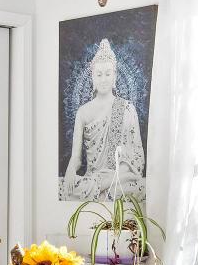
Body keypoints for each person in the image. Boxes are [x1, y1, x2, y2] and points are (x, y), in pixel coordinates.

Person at [61, 39, 144, 200]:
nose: (103, 79)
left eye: (108, 73)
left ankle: (102, 188)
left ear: (115, 76)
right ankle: (101, 189)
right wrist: (71, 170)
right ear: (92, 76)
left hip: (120, 177)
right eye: (99, 74)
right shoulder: (83, 112)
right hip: (93, 178)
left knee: (139, 188)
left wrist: (111, 178)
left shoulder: (127, 108)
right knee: (66, 187)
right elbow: (76, 159)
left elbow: (137, 158)